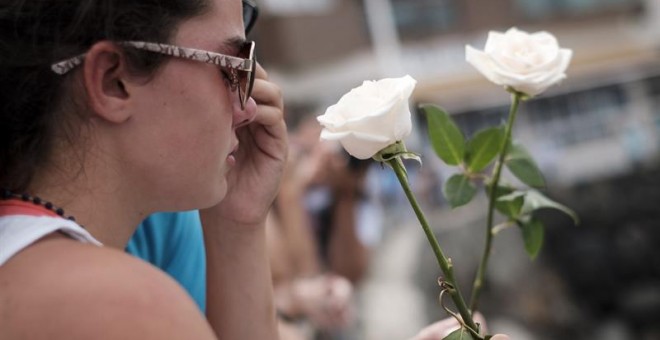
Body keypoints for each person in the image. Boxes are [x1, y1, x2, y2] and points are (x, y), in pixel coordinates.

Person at [0, 0, 286, 339]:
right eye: (231, 67)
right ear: (113, 81)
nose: (248, 107)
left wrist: (237, 223)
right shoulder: (122, 307)